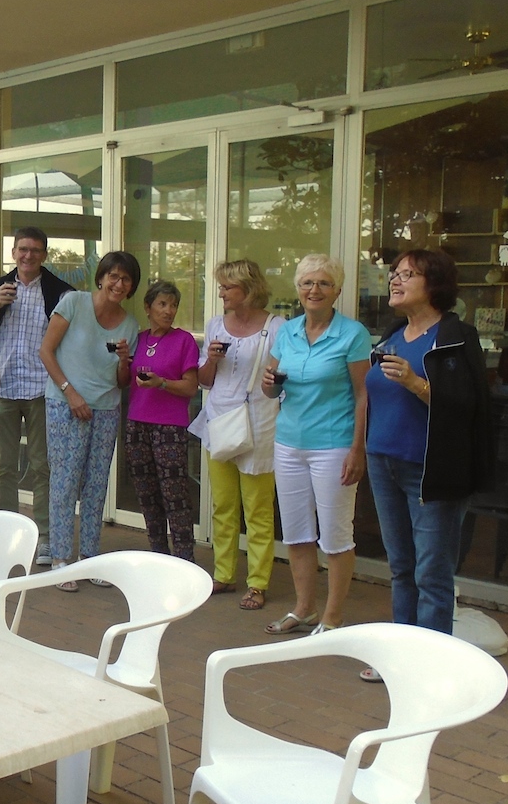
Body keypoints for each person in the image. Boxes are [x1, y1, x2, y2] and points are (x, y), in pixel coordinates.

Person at [363, 249, 492, 679]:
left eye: (408, 275)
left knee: (431, 572)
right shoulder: (393, 333)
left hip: (430, 468)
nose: (395, 281)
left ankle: (430, 668)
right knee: (401, 567)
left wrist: (418, 384)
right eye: (394, 274)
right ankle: (402, 659)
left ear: (434, 284)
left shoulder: (456, 336)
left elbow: (468, 406)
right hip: (384, 462)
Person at [261, 255, 370, 637]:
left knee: (336, 537)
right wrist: (270, 382)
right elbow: (270, 386)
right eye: (307, 283)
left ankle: (333, 616)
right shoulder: (287, 331)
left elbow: (362, 395)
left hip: (334, 445)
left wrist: (358, 449)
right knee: (296, 533)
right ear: (298, 289)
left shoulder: (352, 334)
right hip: (289, 443)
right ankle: (304, 608)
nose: (314, 290)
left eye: (323, 283)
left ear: (337, 290)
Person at [39, 250, 140, 592]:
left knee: (96, 485)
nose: (118, 283)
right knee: (65, 481)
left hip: (106, 409)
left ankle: (90, 558)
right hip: (66, 405)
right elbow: (46, 351)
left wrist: (126, 361)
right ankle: (61, 560)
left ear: (131, 287)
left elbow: (123, 381)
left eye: (126, 279)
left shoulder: (130, 325)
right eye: (113, 275)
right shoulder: (73, 303)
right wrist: (70, 393)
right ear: (101, 277)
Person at [188, 260, 283, 611]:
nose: (221, 293)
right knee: (223, 505)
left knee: (257, 509)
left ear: (248, 288)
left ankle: (257, 582)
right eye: (222, 287)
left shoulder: (276, 327)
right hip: (221, 422)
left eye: (228, 287)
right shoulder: (216, 325)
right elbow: (205, 380)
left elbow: (281, 381)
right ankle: (224, 573)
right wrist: (211, 359)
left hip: (258, 424)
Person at [0, 226, 74, 567]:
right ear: (14, 252)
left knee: (41, 466)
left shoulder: (61, 293)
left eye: (35, 250)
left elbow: (69, 342)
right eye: (22, 249)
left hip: (42, 390)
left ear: (44, 255)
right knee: (4, 466)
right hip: (3, 388)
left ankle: (45, 537)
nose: (28, 256)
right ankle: (8, 532)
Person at [124, 280, 199, 562]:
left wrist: (162, 383)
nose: (169, 311)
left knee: (174, 494)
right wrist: (122, 361)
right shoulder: (138, 339)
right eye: (163, 304)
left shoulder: (184, 341)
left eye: (174, 305)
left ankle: (183, 560)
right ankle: (159, 556)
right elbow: (123, 379)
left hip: (169, 426)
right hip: (136, 424)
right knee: (147, 494)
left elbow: (191, 387)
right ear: (148, 307)